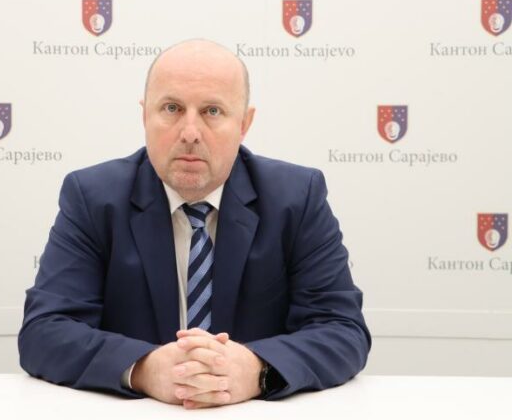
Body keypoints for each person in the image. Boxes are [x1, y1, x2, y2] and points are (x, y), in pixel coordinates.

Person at [18, 39, 371, 409]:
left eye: (212, 111)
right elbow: (44, 332)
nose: (189, 132)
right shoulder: (92, 197)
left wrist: (257, 370)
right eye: (171, 108)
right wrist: (144, 369)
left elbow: (342, 329)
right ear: (144, 115)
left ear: (244, 124)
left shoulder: (296, 198)